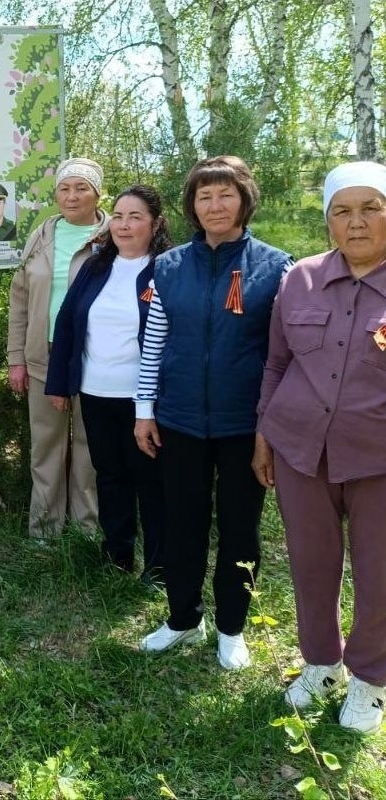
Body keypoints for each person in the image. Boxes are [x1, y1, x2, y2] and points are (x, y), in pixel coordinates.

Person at [135, 155, 291, 671]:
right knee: (182, 522)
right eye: (205, 197)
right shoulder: (169, 266)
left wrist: (272, 425)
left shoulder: (277, 267)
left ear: (244, 200)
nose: (215, 205)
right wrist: (144, 410)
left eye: (225, 195)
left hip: (244, 425)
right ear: (192, 206)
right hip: (178, 419)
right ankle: (183, 617)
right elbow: (153, 343)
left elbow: (283, 354)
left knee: (240, 529)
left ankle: (232, 626)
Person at [254, 161, 386, 732]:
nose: (355, 223)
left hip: (378, 457)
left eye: (370, 208)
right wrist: (264, 434)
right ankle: (322, 663)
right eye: (342, 211)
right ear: (328, 220)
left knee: (380, 572)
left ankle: (370, 678)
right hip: (299, 447)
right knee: (311, 565)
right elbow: (277, 362)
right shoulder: (299, 278)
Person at [46, 185, 172, 585]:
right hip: (96, 393)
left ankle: (158, 566)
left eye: (135, 217)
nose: (124, 224)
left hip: (146, 401)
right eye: (118, 215)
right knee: (110, 477)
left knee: (152, 485)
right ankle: (116, 556)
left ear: (155, 224)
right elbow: (67, 322)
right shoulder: (97, 265)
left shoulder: (168, 268)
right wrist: (59, 383)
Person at [7, 158, 106, 540]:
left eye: (81, 188)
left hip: (96, 356)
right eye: (65, 188)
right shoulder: (42, 235)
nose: (72, 196)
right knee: (45, 446)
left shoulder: (113, 236)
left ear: (98, 193)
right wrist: (16, 358)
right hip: (42, 355)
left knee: (89, 447)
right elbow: (19, 299)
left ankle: (87, 532)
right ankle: (45, 533)